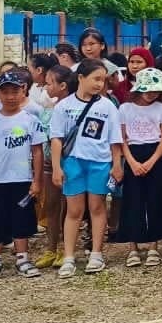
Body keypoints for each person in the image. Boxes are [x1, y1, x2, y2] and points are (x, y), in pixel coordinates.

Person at [49, 59, 125, 277]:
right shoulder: (64, 106)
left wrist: (116, 164)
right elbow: (56, 138)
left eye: (103, 80)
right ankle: (69, 256)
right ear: (81, 78)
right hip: (73, 161)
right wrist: (56, 167)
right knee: (74, 210)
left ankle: (96, 253)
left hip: (100, 163)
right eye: (95, 79)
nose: (99, 84)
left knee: (97, 207)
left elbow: (114, 139)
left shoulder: (108, 106)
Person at [0, 68, 45, 281]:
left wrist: (37, 179)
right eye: (5, 92)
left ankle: (22, 256)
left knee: (21, 218)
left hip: (22, 179)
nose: (10, 96)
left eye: (15, 91)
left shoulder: (30, 120)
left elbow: (37, 151)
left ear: (23, 91)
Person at [114, 68, 162, 267]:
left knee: (156, 199)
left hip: (156, 155)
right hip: (133, 153)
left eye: (155, 91)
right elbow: (121, 138)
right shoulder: (124, 108)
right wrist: (131, 162)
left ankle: (153, 245)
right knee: (133, 201)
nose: (152, 94)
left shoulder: (161, 108)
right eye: (147, 90)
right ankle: (132, 246)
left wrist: (152, 161)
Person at [33, 65, 73, 268]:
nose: (46, 88)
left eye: (49, 83)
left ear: (63, 86)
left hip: (68, 162)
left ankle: (66, 249)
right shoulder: (49, 108)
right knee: (51, 205)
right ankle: (51, 248)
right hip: (49, 164)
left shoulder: (70, 108)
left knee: (68, 207)